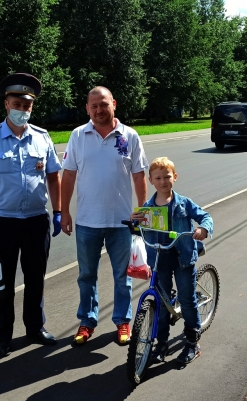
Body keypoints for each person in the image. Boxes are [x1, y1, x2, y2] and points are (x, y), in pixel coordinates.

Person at [0, 73, 62, 357]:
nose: (22, 110)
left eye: (27, 105)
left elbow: (54, 177)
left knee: (36, 278)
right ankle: (3, 335)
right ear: (6, 104)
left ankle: (35, 328)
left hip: (36, 221)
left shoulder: (42, 138)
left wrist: (57, 212)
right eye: (17, 104)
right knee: (3, 282)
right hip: (2, 223)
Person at [60, 86, 148, 345]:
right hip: (88, 222)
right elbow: (69, 175)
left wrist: (142, 211)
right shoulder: (78, 135)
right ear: (87, 109)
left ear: (114, 104)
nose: (99, 110)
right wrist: (63, 211)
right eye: (94, 106)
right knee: (87, 275)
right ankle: (87, 321)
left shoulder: (129, 136)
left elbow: (139, 174)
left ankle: (122, 321)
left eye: (103, 104)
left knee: (124, 275)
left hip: (122, 222)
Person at [130, 157, 213, 364]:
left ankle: (193, 343)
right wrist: (134, 222)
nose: (163, 181)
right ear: (151, 181)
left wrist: (203, 229)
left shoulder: (184, 203)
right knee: (160, 303)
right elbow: (138, 229)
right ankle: (161, 343)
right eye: (158, 178)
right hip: (159, 259)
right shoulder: (147, 208)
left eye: (167, 177)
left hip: (183, 258)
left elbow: (205, 216)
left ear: (174, 177)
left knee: (186, 300)